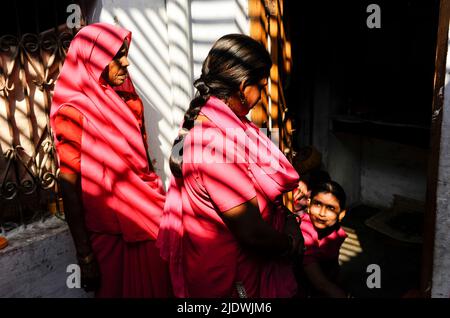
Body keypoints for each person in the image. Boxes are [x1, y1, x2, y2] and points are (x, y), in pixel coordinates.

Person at [156, 34, 304, 298]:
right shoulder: (215, 145)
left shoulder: (212, 122)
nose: (261, 95)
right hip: (232, 278)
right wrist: (291, 243)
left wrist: (289, 218)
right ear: (244, 86)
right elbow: (253, 234)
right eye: (260, 85)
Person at [50, 23, 172, 297]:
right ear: (94, 59)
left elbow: (142, 162)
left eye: (126, 53)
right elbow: (69, 185)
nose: (126, 63)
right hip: (109, 233)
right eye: (118, 56)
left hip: (148, 217)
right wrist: (85, 256)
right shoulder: (73, 112)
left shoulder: (129, 100)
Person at [297, 180, 348, 298]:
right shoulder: (303, 232)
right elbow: (320, 284)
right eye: (318, 204)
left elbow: (334, 265)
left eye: (330, 208)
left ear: (341, 214)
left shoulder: (335, 231)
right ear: (309, 204)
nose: (322, 213)